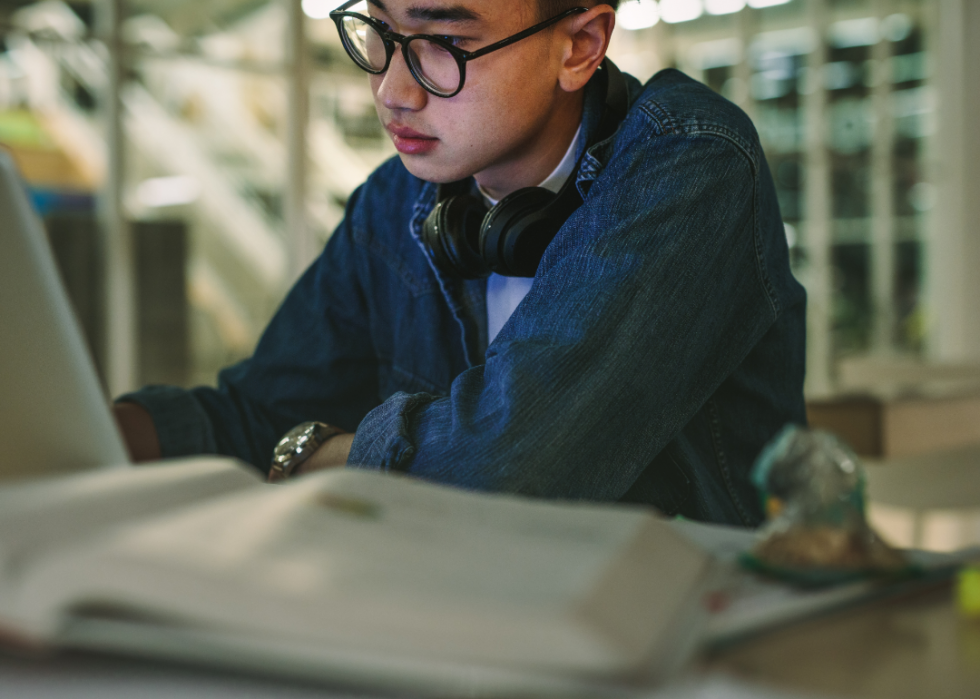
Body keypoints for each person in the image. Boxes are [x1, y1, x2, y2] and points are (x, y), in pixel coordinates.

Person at [114, 0, 807, 527]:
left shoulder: (692, 163)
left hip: (689, 649)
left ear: (579, 45)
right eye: (380, 34)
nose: (392, 91)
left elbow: (505, 469)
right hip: (474, 630)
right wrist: (87, 431)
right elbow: (255, 417)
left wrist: (321, 456)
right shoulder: (396, 201)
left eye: (443, 44)